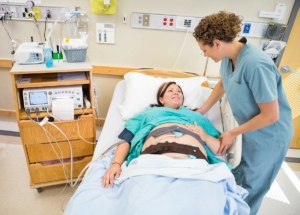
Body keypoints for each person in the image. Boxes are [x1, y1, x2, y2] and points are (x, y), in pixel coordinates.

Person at [193, 10, 293, 215]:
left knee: (252, 188)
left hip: (270, 137)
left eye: (205, 50)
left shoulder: (256, 65)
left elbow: (271, 115)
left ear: (217, 43)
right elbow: (224, 81)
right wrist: (203, 109)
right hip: (250, 131)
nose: (205, 55)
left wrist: (232, 132)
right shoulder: (228, 58)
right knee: (237, 178)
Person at [102, 81, 227, 188]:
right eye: (170, 90)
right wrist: (115, 164)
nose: (176, 92)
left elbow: (219, 150)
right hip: (153, 159)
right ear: (161, 99)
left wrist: (205, 136)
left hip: (192, 163)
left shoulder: (197, 116)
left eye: (179, 91)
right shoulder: (148, 113)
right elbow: (125, 139)